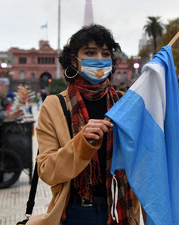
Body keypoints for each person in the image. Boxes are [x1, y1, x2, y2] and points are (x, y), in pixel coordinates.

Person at [29, 25, 141, 225]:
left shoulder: (125, 104)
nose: (99, 58)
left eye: (105, 53)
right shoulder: (55, 106)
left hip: (119, 208)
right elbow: (46, 171)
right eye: (90, 53)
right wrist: (81, 143)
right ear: (74, 60)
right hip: (76, 212)